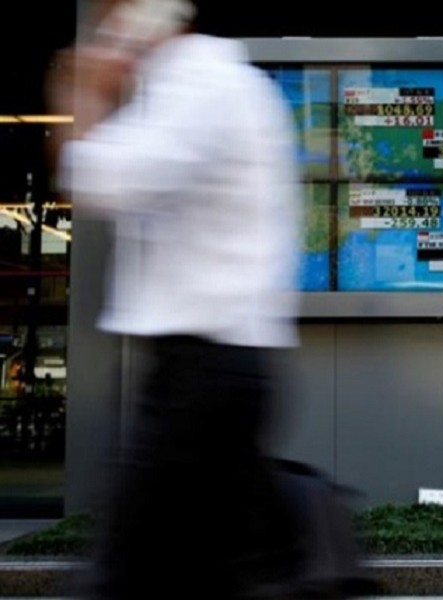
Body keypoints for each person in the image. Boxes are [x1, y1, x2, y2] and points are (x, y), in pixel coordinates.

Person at [46, 0, 305, 597]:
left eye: (113, 23)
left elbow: (101, 178)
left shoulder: (199, 85)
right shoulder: (210, 86)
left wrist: (80, 94)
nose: (105, 38)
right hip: (219, 371)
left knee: (126, 573)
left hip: (203, 375)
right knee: (218, 574)